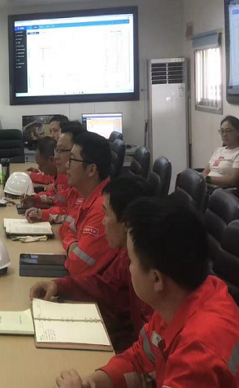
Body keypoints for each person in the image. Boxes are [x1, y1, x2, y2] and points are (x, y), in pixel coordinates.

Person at [53, 198, 239, 388]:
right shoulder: (185, 298)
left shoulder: (201, 348)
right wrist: (93, 385)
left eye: (131, 261)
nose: (128, 268)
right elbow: (140, 359)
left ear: (156, 279)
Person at [29, 175, 155, 352]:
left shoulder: (153, 280)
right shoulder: (127, 257)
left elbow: (148, 352)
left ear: (126, 224)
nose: (103, 221)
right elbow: (104, 286)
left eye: (106, 214)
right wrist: (58, 286)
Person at [59, 131, 118, 276]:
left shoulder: (102, 208)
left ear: (91, 170)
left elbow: (77, 267)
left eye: (72, 159)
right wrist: (73, 244)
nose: (67, 165)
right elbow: (65, 229)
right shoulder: (89, 196)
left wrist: (71, 244)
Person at [24, 123, 87, 228]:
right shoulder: (75, 186)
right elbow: (64, 206)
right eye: (56, 150)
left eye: (60, 151)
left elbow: (70, 221)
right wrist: (38, 204)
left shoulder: (93, 198)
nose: (56, 157)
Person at [202, 115, 239, 189]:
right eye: (222, 131)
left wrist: (208, 179)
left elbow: (233, 180)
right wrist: (204, 178)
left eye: (228, 131)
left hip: (221, 191)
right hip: (206, 187)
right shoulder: (219, 150)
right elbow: (205, 171)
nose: (224, 134)